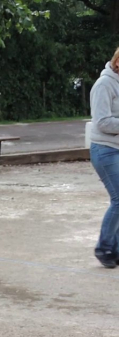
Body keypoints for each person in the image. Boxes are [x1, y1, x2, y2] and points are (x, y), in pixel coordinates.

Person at [90, 47, 119, 269]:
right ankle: (104, 248)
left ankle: (115, 249)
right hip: (105, 149)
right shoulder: (103, 85)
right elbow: (102, 122)